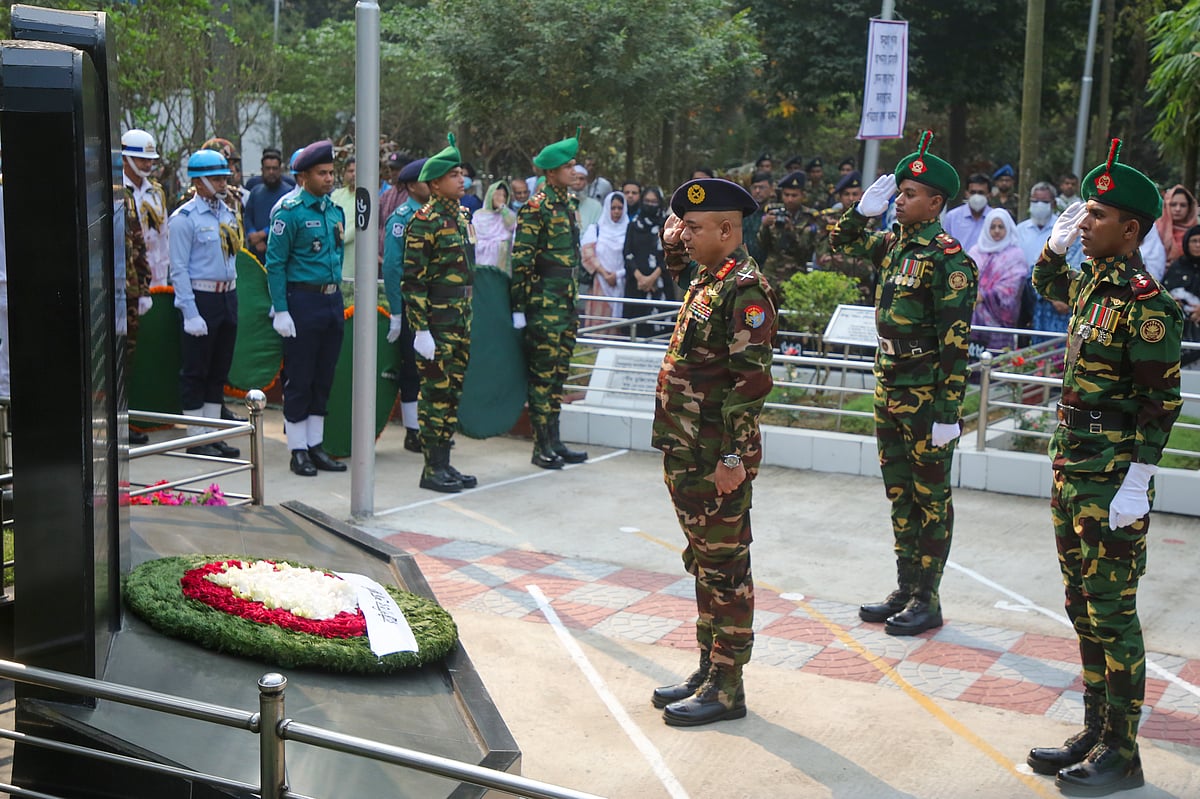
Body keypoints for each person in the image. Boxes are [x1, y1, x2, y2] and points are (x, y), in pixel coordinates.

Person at [1027, 138, 1182, 795]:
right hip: (1072, 465)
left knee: (1114, 614)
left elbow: (1161, 405)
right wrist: (1054, 247)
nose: (1084, 222)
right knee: (1083, 607)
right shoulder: (1092, 277)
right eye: (1083, 213)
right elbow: (1043, 285)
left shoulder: (1149, 306)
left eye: (1095, 216)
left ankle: (1124, 753)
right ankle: (1094, 729)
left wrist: (1138, 482)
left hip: (1112, 476)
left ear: (1131, 227)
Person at [830, 130, 978, 637]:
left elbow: (956, 344)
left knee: (930, 498)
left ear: (936, 203)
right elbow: (840, 242)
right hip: (887, 382)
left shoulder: (948, 259)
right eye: (899, 191)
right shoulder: (894, 244)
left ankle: (927, 597)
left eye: (910, 194)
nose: (899, 199)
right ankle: (905, 584)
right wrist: (861, 212)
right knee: (899, 493)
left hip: (924, 392)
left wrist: (946, 413)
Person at [649, 177, 777, 727]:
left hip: (714, 455)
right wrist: (674, 235)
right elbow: (679, 260)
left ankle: (728, 686)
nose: (687, 236)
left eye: (697, 228)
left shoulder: (745, 291)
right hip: (686, 448)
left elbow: (750, 385)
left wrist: (731, 460)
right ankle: (707, 668)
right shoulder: (711, 276)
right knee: (703, 562)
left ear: (728, 230)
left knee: (726, 568)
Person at [264, 140, 348, 477]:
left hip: (331, 300)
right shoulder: (289, 211)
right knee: (300, 378)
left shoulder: (334, 210)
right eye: (322, 173)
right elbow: (275, 263)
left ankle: (316, 446)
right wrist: (281, 309)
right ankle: (297, 450)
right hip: (303, 301)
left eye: (331, 173)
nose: (329, 179)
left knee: (323, 376)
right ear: (303, 177)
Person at [402, 135, 477, 493]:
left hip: (460, 320)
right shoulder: (424, 221)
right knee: (434, 394)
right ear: (434, 183)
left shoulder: (461, 216)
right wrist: (421, 330)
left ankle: (444, 463)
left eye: (462, 173)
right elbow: (412, 282)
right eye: (454, 175)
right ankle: (431, 469)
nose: (461, 179)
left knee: (452, 394)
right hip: (436, 323)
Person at [511, 128, 589, 469]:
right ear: (551, 172)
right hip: (543, 305)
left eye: (575, 165)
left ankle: (555, 440)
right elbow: (522, 261)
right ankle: (540, 445)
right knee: (542, 377)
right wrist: (519, 308)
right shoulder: (536, 208)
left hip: (566, 303)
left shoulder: (569, 205)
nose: (575, 171)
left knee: (559, 374)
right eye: (568, 166)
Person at [167, 150, 242, 459]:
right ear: (198, 182)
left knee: (218, 369)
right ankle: (196, 437)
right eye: (215, 178)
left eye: (224, 176)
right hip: (202, 297)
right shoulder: (184, 218)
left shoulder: (227, 212)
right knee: (196, 369)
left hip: (227, 296)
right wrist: (190, 311)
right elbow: (179, 269)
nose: (223, 182)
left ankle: (212, 433)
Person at [381, 157, 429, 454]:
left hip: (435, 304)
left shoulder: (434, 214)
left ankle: (431, 427)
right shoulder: (402, 218)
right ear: (412, 186)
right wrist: (397, 312)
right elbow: (393, 267)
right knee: (412, 370)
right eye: (427, 180)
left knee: (434, 370)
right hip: (412, 305)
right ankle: (413, 431)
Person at [967, 208, 1026, 354]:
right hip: (973, 318)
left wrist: (984, 296)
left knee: (997, 363)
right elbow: (965, 276)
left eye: (1001, 226)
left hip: (998, 323)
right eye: (993, 227)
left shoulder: (1015, 255)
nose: (997, 231)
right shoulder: (974, 251)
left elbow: (1013, 286)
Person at [122, 174, 153, 444]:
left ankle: (121, 421)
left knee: (125, 360)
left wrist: (143, 289)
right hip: (97, 294)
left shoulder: (124, 195)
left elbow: (138, 243)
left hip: (128, 293)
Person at [814, 171, 875, 305]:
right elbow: (821, 253)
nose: (850, 198)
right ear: (839, 197)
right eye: (846, 194)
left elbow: (872, 256)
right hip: (833, 283)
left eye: (855, 194)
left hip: (861, 285)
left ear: (862, 195)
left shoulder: (871, 219)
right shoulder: (827, 219)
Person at [121, 129, 171, 288]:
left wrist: (163, 276)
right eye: (142, 159)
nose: (148, 164)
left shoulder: (156, 193)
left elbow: (163, 235)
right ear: (125, 159)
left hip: (156, 273)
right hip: (131, 274)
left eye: (150, 160)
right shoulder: (117, 192)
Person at [757, 170, 819, 291]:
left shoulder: (810, 217)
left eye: (794, 195)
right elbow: (762, 245)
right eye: (786, 195)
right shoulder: (773, 211)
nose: (790, 199)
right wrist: (764, 226)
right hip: (771, 275)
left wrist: (791, 231)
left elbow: (806, 250)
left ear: (803, 196)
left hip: (796, 274)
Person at [623, 186, 669, 338]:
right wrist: (640, 277)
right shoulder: (634, 225)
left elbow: (669, 254)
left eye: (654, 202)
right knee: (635, 328)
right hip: (636, 284)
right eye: (647, 201)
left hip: (661, 283)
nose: (650, 204)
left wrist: (652, 278)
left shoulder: (666, 226)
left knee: (661, 329)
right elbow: (627, 252)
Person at [580, 191, 628, 323]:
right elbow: (587, 254)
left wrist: (617, 275)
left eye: (620, 208)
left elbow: (632, 256)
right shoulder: (596, 229)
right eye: (613, 208)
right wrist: (605, 274)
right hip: (600, 283)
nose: (616, 212)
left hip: (622, 282)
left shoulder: (630, 230)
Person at [1163, 224, 1200, 366]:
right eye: (1194, 241)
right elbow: (1164, 294)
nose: (1198, 245)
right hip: (1177, 336)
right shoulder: (1177, 267)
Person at [245, 149, 290, 262]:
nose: (271, 172)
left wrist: (263, 234)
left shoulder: (289, 194)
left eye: (274, 168)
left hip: (281, 255)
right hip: (256, 254)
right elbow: (248, 217)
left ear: (280, 170)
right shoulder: (255, 192)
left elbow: (288, 221)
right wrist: (253, 235)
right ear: (262, 170)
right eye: (267, 168)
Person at [474, 179, 518, 275]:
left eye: (504, 196)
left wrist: (502, 209)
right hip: (481, 263)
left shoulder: (507, 214)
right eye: (497, 195)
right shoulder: (479, 215)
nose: (501, 199)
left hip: (502, 262)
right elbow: (474, 239)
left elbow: (513, 225)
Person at [941, 173, 993, 252]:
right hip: (959, 263)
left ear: (989, 195)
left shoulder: (995, 217)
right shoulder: (952, 217)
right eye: (973, 192)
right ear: (966, 194)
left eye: (981, 193)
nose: (976, 197)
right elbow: (943, 245)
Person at [1154, 184, 1198, 263]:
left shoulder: (1196, 230)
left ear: (1190, 208)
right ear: (1166, 206)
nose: (1178, 209)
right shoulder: (1155, 228)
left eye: (1183, 205)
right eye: (1173, 205)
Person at [330, 156, 357, 277]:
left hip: (355, 256)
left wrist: (339, 237)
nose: (354, 174)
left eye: (357, 170)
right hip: (334, 254)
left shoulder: (368, 197)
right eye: (350, 171)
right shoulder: (336, 195)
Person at [742, 171, 773, 265]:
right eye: (755, 187)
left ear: (771, 189)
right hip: (745, 265)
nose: (757, 191)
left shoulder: (774, 212)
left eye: (762, 187)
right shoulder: (744, 213)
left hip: (769, 267)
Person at [571, 164, 602, 230]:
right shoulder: (561, 203)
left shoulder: (596, 206)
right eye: (575, 178)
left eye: (581, 179)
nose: (578, 182)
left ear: (586, 182)